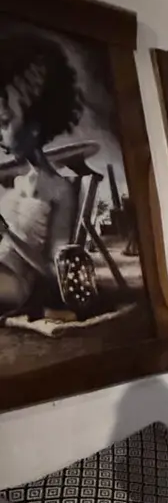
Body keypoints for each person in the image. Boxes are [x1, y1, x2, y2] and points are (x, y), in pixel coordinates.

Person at [0, 31, 86, 314]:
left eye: (4, 122)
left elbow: (55, 271)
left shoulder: (61, 190)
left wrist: (7, 234)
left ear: (34, 127)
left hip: (17, 285)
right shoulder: (18, 182)